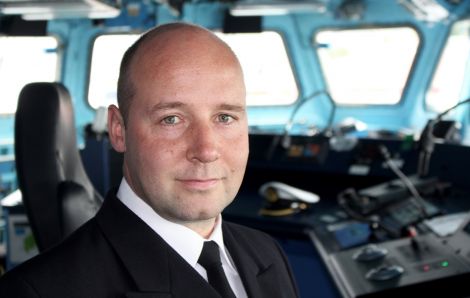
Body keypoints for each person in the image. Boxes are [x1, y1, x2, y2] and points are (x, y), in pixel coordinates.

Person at [0, 22, 299, 297]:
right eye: (171, 119)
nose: (206, 150)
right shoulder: (37, 292)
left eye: (224, 117)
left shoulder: (266, 252)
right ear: (119, 129)